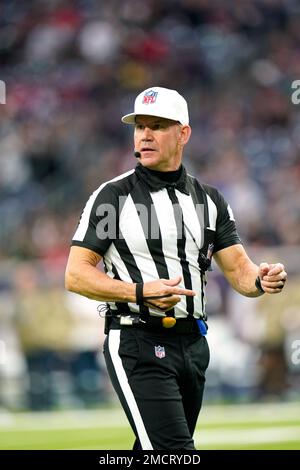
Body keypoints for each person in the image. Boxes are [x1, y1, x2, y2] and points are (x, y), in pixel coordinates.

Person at [65, 86, 287, 450]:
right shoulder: (113, 197)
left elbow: (240, 273)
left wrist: (262, 280)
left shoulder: (209, 199)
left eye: (158, 125)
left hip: (194, 343)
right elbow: (75, 274)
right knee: (175, 451)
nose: (145, 135)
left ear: (183, 133)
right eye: (140, 126)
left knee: (154, 449)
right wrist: (139, 292)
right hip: (138, 339)